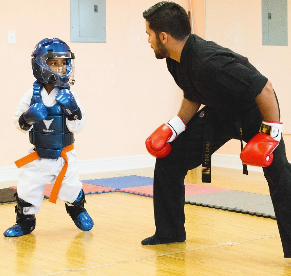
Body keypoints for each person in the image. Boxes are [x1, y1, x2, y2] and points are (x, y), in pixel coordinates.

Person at [142, 1, 291, 258]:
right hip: (220, 113)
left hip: (256, 113)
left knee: (279, 176)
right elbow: (193, 92)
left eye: (149, 35)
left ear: (163, 37)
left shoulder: (208, 60)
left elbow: (264, 88)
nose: (148, 40)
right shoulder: (175, 60)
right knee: (170, 158)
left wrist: (271, 133)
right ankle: (169, 232)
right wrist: (175, 126)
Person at [3, 38, 94, 237]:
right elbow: (17, 123)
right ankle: (25, 222)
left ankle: (77, 208)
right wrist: (27, 118)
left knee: (70, 188)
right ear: (40, 65)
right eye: (54, 63)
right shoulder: (31, 95)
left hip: (64, 156)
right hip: (39, 155)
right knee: (27, 188)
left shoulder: (71, 96)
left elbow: (78, 127)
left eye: (64, 63)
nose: (60, 68)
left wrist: (73, 110)